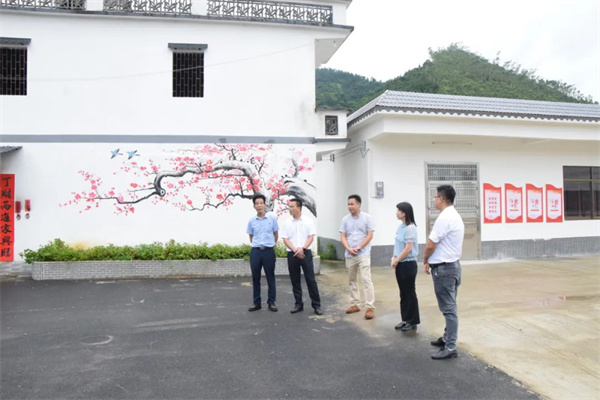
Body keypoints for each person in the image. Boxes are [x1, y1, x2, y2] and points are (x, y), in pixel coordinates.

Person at [423, 185, 465, 360]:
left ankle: (450, 347)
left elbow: (431, 244)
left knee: (449, 309)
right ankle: (447, 338)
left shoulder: (444, 217)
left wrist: (425, 260)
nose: (434, 200)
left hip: (444, 268)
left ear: (441, 199)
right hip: (453, 266)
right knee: (450, 306)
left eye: (435, 197)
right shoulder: (454, 215)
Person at [280, 198, 323, 315]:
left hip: (305, 252)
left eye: (292, 207)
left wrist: (302, 249)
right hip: (292, 253)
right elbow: (285, 239)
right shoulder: (287, 222)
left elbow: (311, 237)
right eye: (289, 207)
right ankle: (298, 304)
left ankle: (316, 305)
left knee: (310, 279)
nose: (290, 209)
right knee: (295, 280)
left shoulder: (308, 221)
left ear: (298, 208)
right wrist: (295, 250)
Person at [339, 194, 376, 320]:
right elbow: (343, 236)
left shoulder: (367, 218)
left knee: (366, 279)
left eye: (352, 204)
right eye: (348, 204)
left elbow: (370, 235)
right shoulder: (345, 219)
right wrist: (348, 248)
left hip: (363, 253)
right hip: (350, 254)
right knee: (352, 280)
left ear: (358, 204)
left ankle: (370, 307)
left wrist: (359, 247)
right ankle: (355, 304)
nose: (350, 206)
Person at [246, 194, 279, 312]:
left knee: (270, 277)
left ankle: (271, 302)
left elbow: (276, 234)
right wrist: (258, 244)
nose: (259, 205)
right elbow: (251, 236)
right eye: (257, 203)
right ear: (254, 206)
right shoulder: (251, 221)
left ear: (265, 205)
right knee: (256, 278)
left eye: (261, 203)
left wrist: (269, 244)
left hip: (268, 251)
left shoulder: (272, 219)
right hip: (256, 251)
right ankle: (257, 302)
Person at [391, 202, 420, 332]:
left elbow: (408, 248)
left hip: (408, 264)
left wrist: (397, 260)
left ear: (404, 213)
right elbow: (398, 245)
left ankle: (413, 321)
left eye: (398, 210)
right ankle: (405, 319)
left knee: (409, 292)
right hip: (400, 263)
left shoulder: (410, 228)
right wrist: (393, 257)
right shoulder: (401, 227)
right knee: (403, 293)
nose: (396, 212)